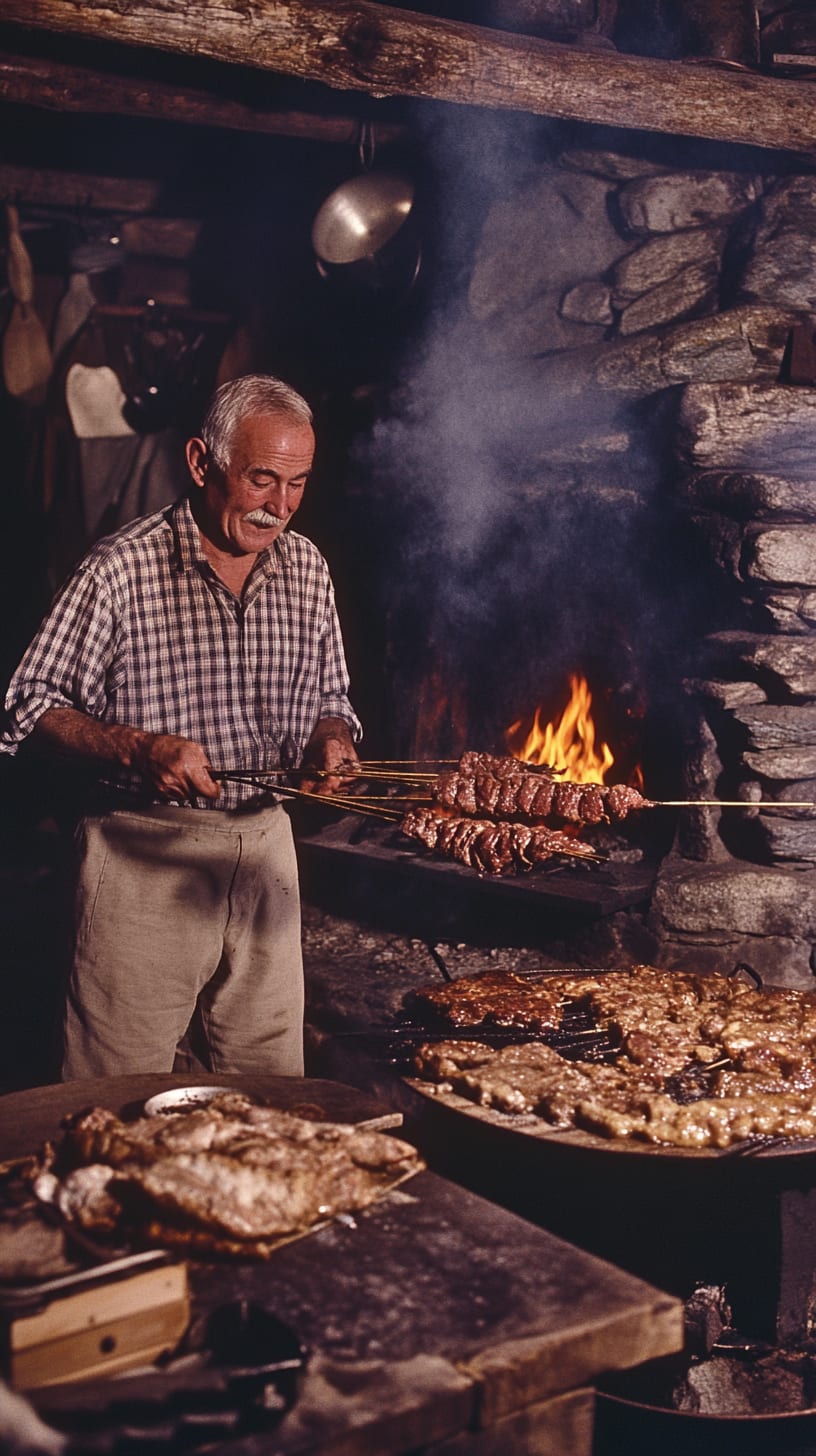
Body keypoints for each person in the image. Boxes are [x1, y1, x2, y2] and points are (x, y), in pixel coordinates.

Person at [1, 373, 361, 1079]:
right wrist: (136, 747)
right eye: (261, 480)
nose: (279, 507)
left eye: (297, 483)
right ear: (202, 462)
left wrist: (331, 738)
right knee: (117, 1090)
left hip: (266, 849)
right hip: (142, 855)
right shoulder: (119, 570)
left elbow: (332, 695)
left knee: (270, 1087)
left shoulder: (307, 570)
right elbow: (25, 705)